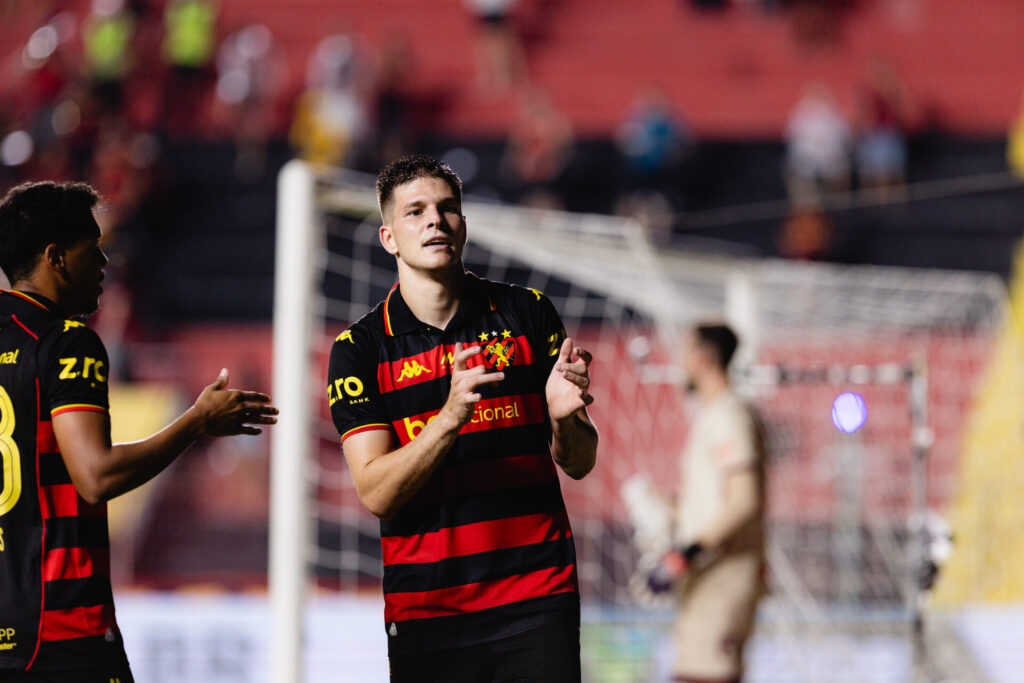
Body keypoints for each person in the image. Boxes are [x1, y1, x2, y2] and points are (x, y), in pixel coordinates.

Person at [327, 155, 598, 682]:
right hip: (429, 613)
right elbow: (377, 492)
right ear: (389, 238)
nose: (435, 220)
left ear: (464, 226)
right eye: (416, 212)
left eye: (447, 208)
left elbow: (581, 463)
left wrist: (567, 420)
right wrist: (450, 416)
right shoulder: (359, 350)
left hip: (536, 599)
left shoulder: (528, 313)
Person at [0, 181, 278, 682]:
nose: (106, 263)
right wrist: (197, 422)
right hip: (61, 631)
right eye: (94, 249)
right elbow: (96, 477)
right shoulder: (67, 342)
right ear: (56, 258)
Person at [649, 323, 766, 683]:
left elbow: (745, 500)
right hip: (710, 576)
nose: (680, 361)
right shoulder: (716, 413)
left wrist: (685, 553)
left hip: (722, 575)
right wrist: (665, 510)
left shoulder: (729, 414)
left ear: (705, 357)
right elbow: (720, 500)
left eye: (686, 351)